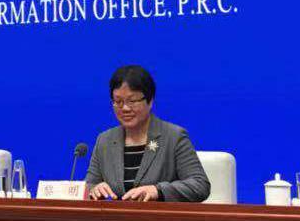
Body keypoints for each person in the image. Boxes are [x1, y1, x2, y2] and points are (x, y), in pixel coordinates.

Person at [84, 65, 210, 202]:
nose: (125, 108)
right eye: (118, 101)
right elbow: (89, 185)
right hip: (116, 216)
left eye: (132, 101)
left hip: (158, 215)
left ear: (150, 101)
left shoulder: (174, 137)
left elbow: (200, 185)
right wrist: (94, 189)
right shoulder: (105, 140)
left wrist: (158, 190)